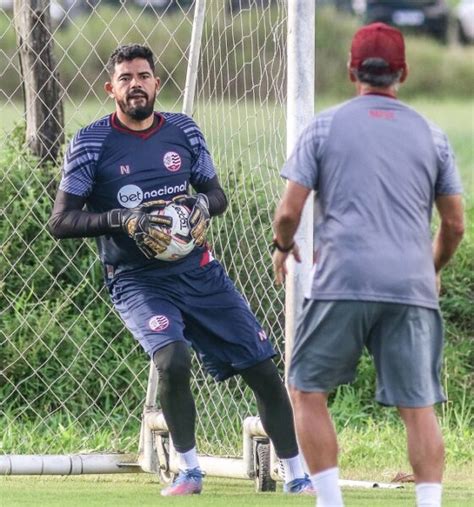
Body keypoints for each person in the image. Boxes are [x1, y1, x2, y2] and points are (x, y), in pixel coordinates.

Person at [49, 43, 314, 497]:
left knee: (264, 370)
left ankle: (297, 475)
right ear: (111, 88)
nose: (136, 84)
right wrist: (122, 219)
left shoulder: (184, 132)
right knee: (172, 358)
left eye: (144, 76)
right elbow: (61, 221)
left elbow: (216, 195)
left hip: (199, 272)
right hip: (137, 280)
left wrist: (199, 206)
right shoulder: (91, 142)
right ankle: (188, 469)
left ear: (156, 83)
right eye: (126, 78)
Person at [271, 23, 464, 507]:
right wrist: (431, 265)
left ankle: (330, 501)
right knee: (418, 406)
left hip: (343, 278)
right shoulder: (433, 136)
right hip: (411, 285)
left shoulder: (324, 126)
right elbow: (455, 224)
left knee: (306, 388)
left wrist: (283, 244)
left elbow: (288, 212)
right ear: (404, 71)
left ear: (352, 69)